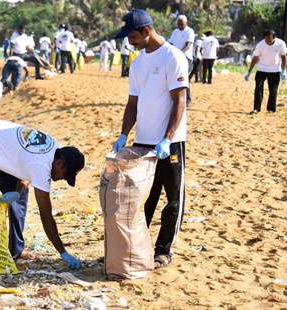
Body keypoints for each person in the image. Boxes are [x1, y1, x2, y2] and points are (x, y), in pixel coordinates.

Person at [0, 119, 85, 272]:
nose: (62, 179)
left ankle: (16, 250)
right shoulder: (42, 165)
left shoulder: (54, 150)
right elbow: (46, 215)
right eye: (65, 176)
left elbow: (25, 166)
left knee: (20, 195)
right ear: (59, 164)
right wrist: (63, 252)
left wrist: (17, 192)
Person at [112, 9, 189, 269]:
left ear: (146, 31)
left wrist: (168, 139)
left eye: (132, 36)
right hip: (143, 142)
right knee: (143, 198)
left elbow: (180, 101)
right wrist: (124, 133)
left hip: (170, 144)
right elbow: (132, 103)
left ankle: (163, 250)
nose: (129, 42)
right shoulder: (137, 63)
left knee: (173, 198)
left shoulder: (173, 57)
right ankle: (138, 247)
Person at [245, 29, 287, 114]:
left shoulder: (280, 44)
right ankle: (256, 109)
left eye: (270, 40)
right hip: (261, 69)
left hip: (275, 70)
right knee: (258, 88)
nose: (268, 41)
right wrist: (249, 72)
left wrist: (284, 70)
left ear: (274, 38)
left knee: (273, 90)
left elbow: (283, 57)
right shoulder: (260, 45)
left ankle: (271, 109)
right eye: (266, 39)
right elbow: (255, 58)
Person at [168, 15, 195, 105]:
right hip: (174, 59)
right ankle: (174, 99)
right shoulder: (175, 32)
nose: (180, 26)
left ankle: (187, 100)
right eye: (178, 24)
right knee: (173, 78)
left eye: (182, 24)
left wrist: (179, 53)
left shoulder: (190, 31)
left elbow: (188, 46)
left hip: (186, 59)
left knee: (183, 79)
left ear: (186, 23)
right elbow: (170, 43)